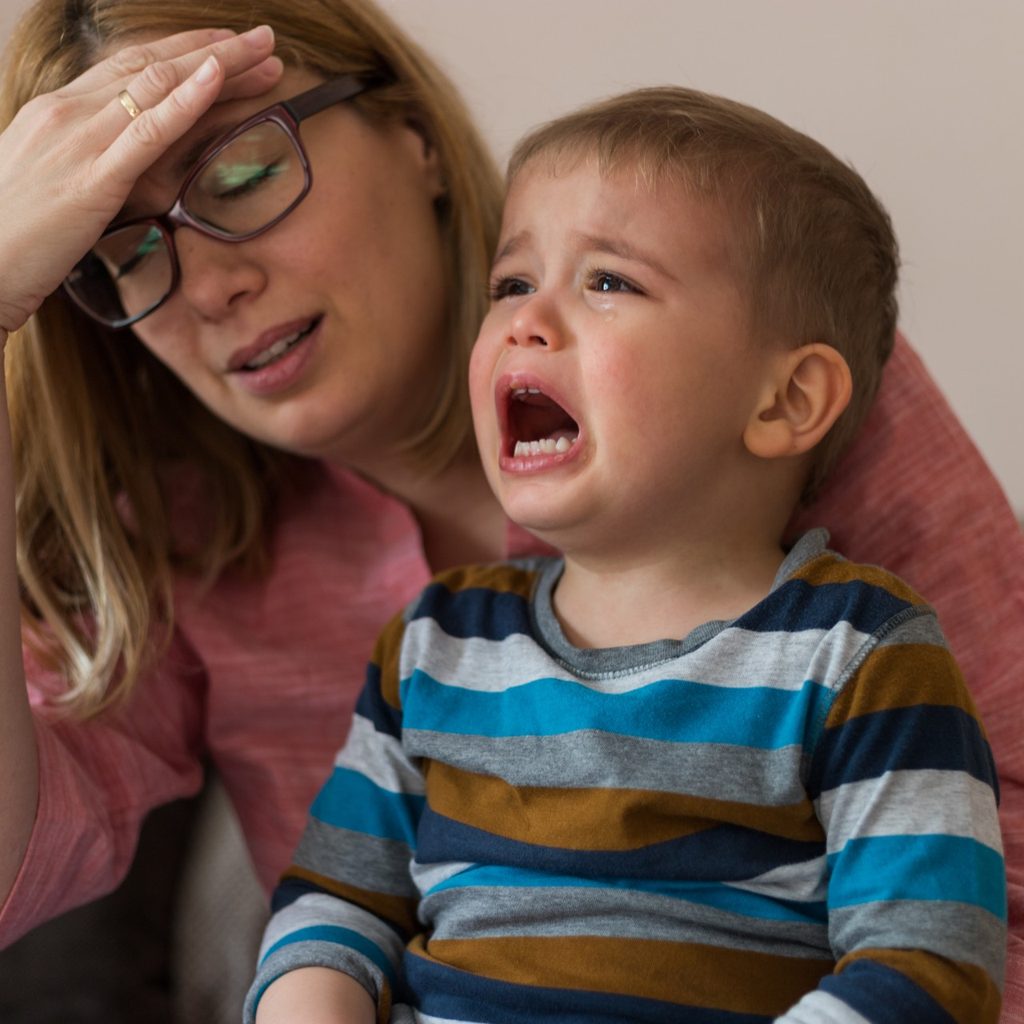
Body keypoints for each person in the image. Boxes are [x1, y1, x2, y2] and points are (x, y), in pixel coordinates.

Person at [0, 0, 1019, 1018]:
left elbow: (980, 904)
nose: (210, 285)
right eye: (124, 250)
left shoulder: (766, 396)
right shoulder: (225, 566)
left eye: (247, 176)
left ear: (412, 141)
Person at [245, 86, 1006, 1023]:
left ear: (786, 401)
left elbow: (930, 964)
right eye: (512, 284)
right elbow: (337, 900)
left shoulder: (863, 657)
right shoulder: (436, 642)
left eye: (610, 282)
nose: (525, 321)